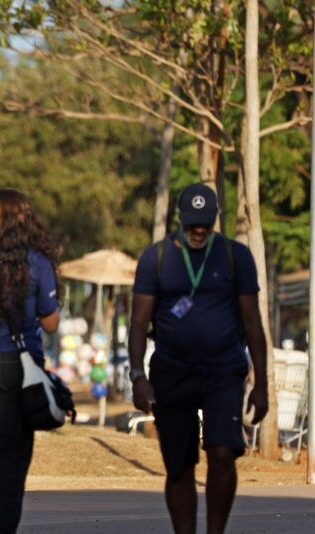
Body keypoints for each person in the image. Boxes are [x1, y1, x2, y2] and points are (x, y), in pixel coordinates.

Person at [128, 183, 269, 534]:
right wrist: (136, 376)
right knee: (179, 467)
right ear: (181, 220)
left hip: (223, 371)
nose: (199, 230)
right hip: (172, 373)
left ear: (215, 220)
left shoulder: (236, 256)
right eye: (193, 223)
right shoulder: (156, 257)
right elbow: (138, 322)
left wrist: (263, 384)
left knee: (222, 454)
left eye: (206, 223)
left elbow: (253, 323)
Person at [0, 189, 61, 534]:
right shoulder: (36, 261)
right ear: (26, 221)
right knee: (11, 455)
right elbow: (50, 323)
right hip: (18, 365)